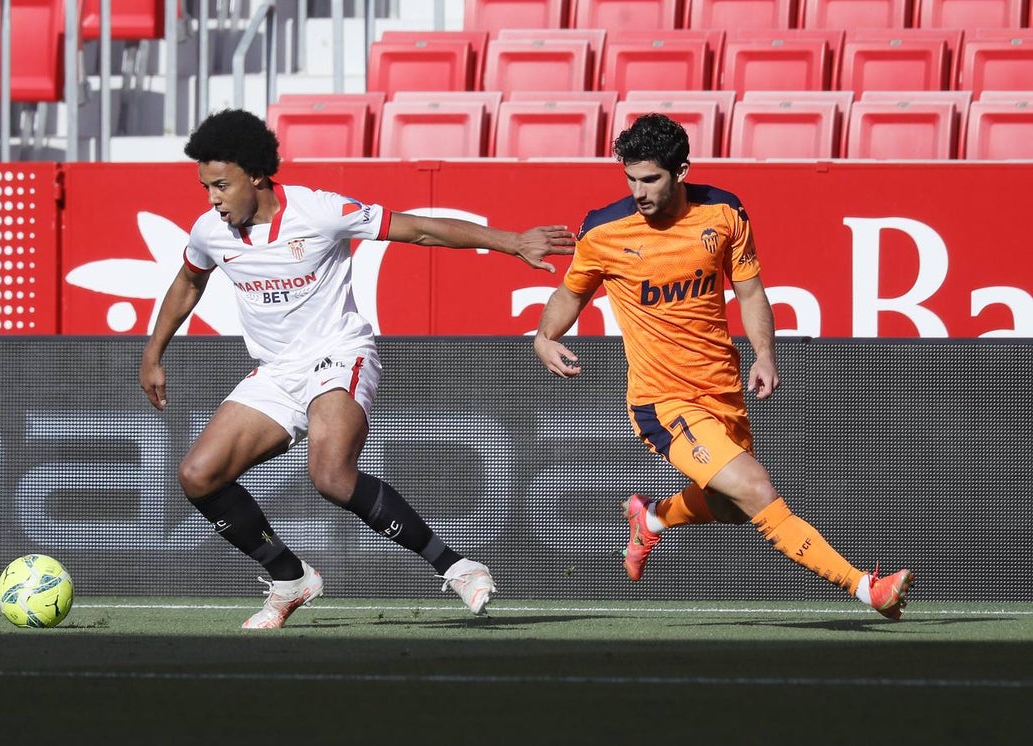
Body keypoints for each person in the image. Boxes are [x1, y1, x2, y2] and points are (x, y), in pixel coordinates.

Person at [140, 108, 575, 629]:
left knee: (329, 474)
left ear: (255, 175)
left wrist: (512, 242)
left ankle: (456, 568)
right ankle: (288, 576)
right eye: (206, 187)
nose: (212, 198)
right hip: (276, 371)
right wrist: (153, 352)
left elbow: (418, 230)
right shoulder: (211, 231)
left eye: (220, 185)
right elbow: (188, 283)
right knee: (197, 475)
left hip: (339, 353)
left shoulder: (318, 211)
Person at [532, 113, 914, 620]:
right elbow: (570, 292)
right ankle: (868, 588)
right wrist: (543, 337)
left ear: (682, 171)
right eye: (631, 179)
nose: (639, 191)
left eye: (651, 179)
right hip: (662, 400)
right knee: (757, 490)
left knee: (733, 508)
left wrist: (765, 353)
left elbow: (750, 290)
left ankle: (652, 518)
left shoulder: (724, 213)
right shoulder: (604, 231)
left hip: (723, 390)